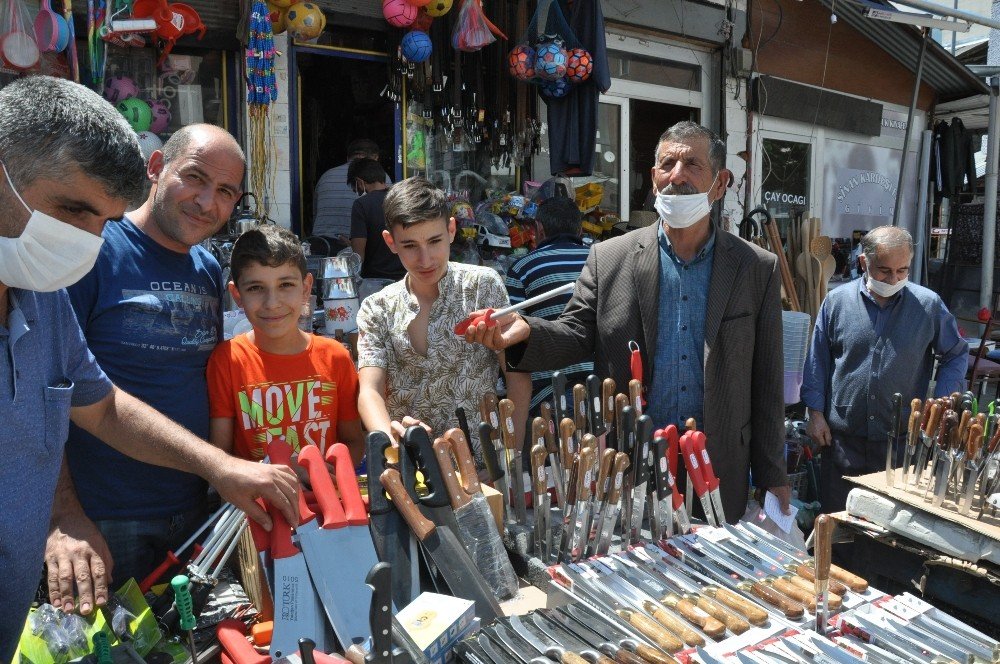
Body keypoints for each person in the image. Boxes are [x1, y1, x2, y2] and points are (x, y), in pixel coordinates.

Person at [0, 76, 297, 659]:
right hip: (107, 514)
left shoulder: (42, 294)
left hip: (183, 512)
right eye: (74, 210)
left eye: (102, 220)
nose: (88, 238)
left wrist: (221, 468)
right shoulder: (76, 266)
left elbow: (100, 404)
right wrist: (64, 514)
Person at [464, 121, 791, 522]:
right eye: (667, 164)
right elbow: (575, 333)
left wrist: (775, 475)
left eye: (693, 165)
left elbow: (768, 379)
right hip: (630, 463)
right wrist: (526, 332)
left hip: (717, 464)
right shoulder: (609, 257)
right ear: (653, 180)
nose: (678, 176)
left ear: (720, 183)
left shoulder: (755, 267)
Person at [47, 123, 247, 603]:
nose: (206, 202)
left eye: (224, 192)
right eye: (195, 178)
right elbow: (45, 392)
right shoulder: (94, 253)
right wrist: (62, 515)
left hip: (197, 508)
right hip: (107, 517)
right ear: (155, 168)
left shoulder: (207, 268)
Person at [356, 177, 531, 460]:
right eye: (410, 245)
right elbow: (369, 391)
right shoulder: (376, 308)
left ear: (451, 230)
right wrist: (389, 440)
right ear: (390, 242)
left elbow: (517, 376)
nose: (425, 259)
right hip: (409, 465)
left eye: (434, 241)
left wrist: (510, 455)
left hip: (482, 464)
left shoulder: (482, 286)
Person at [801, 226, 968, 512]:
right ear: (864, 263)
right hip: (843, 442)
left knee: (888, 533)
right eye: (884, 271)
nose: (893, 279)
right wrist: (815, 413)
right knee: (838, 526)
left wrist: (939, 404)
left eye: (902, 271)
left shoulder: (927, 306)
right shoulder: (837, 302)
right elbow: (818, 360)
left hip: (900, 445)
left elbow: (956, 354)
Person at [208, 225, 365, 464]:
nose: (272, 303)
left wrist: (320, 475)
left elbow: (354, 442)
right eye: (256, 288)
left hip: (325, 499)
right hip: (256, 501)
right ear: (237, 294)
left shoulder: (335, 357)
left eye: (285, 285)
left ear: (306, 288)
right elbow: (220, 458)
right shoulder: (227, 360)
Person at [504, 196, 593, 415]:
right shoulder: (599, 259)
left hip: (549, 396)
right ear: (580, 230)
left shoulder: (523, 268)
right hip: (603, 390)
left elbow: (511, 336)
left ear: (539, 230)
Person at [312, 138, 382, 247]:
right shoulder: (379, 178)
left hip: (320, 243)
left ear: (348, 157)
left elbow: (315, 212)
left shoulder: (326, 176)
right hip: (355, 246)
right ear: (375, 158)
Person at [348, 158, 404, 281]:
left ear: (360, 182)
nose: (354, 191)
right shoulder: (402, 199)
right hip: (405, 277)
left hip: (375, 280)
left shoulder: (361, 205)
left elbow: (359, 256)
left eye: (354, 187)